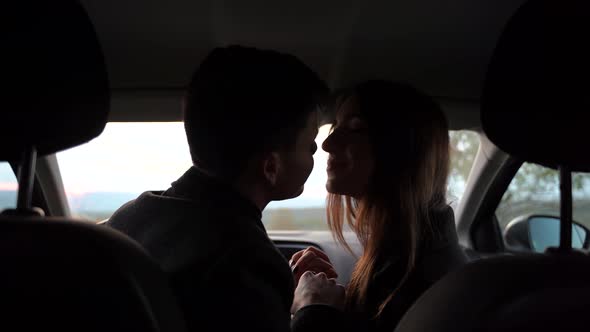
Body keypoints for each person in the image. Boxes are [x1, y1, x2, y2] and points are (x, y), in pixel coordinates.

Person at [107, 45, 343, 331]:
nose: (317, 151)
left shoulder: (128, 218)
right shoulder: (244, 262)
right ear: (271, 167)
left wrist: (272, 295)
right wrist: (313, 310)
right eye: (311, 144)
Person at [289, 80, 468, 332]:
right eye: (337, 126)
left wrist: (313, 309)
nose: (328, 144)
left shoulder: (419, 278)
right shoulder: (403, 254)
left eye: (355, 129)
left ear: (401, 151)